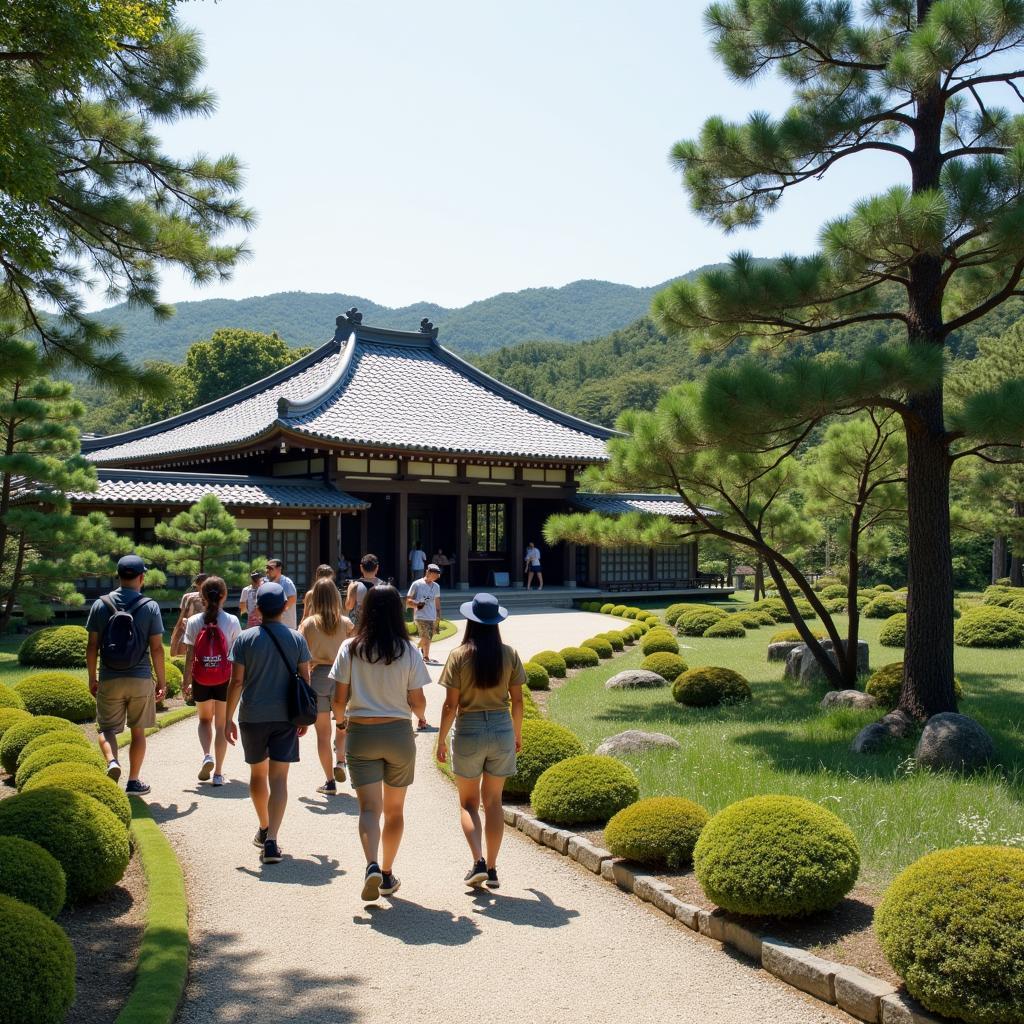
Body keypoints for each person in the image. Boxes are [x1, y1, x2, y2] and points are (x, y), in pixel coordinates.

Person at [330, 585, 429, 901]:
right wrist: (422, 718)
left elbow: (338, 699)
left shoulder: (350, 648)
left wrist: (342, 724)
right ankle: (387, 873)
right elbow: (418, 701)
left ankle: (371, 863)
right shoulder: (409, 650)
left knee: (369, 809)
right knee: (395, 810)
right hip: (398, 733)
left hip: (362, 733)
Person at [436, 594, 525, 890]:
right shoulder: (509, 654)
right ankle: (494, 868)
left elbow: (450, 706)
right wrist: (517, 733)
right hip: (501, 728)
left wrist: (440, 740)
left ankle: (477, 862)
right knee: (494, 803)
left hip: (470, 729)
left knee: (468, 804)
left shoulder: (459, 655)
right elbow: (519, 701)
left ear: (471, 621)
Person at [225, 582, 312, 864]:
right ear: (286, 606)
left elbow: (236, 681)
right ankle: (272, 839)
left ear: (258, 608)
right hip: (286, 715)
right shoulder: (296, 639)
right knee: (279, 778)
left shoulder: (245, 639)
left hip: (252, 715)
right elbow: (305, 680)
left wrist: (227, 718)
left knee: (258, 774)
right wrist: (305, 717)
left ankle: (263, 827)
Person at [85, 554, 166, 794]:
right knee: (138, 731)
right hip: (140, 677)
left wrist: (92, 677)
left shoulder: (100, 604)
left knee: (106, 729)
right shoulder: (150, 606)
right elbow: (157, 648)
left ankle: (111, 761)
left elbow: (92, 646)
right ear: (142, 577)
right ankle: (133, 781)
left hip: (110, 676)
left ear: (118, 576)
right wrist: (161, 680)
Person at [182, 576, 241, 786]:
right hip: (224, 678)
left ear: (202, 597)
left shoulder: (194, 621)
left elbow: (190, 655)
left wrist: (185, 681)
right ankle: (218, 773)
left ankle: (207, 755)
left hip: (202, 677)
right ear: (224, 595)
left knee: (204, 720)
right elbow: (237, 656)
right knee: (221, 724)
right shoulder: (232, 621)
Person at [298, 578, 353, 795]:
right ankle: (341, 760)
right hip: (342, 678)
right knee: (342, 725)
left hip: (317, 677)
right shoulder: (346, 623)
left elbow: (300, 654)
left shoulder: (308, 624)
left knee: (322, 733)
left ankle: (329, 781)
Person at [406, 564, 443, 666]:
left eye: (437, 576)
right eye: (435, 575)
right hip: (420, 615)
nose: (436, 578)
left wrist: (439, 615)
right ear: (428, 572)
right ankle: (421, 655)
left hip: (432, 615)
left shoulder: (436, 586)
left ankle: (423, 655)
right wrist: (417, 604)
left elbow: (437, 602)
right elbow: (408, 600)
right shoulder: (416, 584)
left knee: (428, 637)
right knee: (426, 636)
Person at [170, 573, 209, 656]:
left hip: (190, 628)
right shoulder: (213, 597)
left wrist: (174, 636)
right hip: (203, 628)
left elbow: (182, 617)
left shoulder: (189, 597)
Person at [345, 553, 384, 627]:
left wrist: (350, 590)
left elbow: (349, 606)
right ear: (377, 568)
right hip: (379, 626)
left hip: (360, 628)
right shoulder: (384, 586)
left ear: (361, 568)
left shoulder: (354, 585)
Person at [263, 558, 298, 628]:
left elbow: (292, 599)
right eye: (267, 568)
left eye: (270, 568)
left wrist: (276, 613)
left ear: (279, 569)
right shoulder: (266, 582)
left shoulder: (287, 583)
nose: (267, 571)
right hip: (270, 626)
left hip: (287, 626)